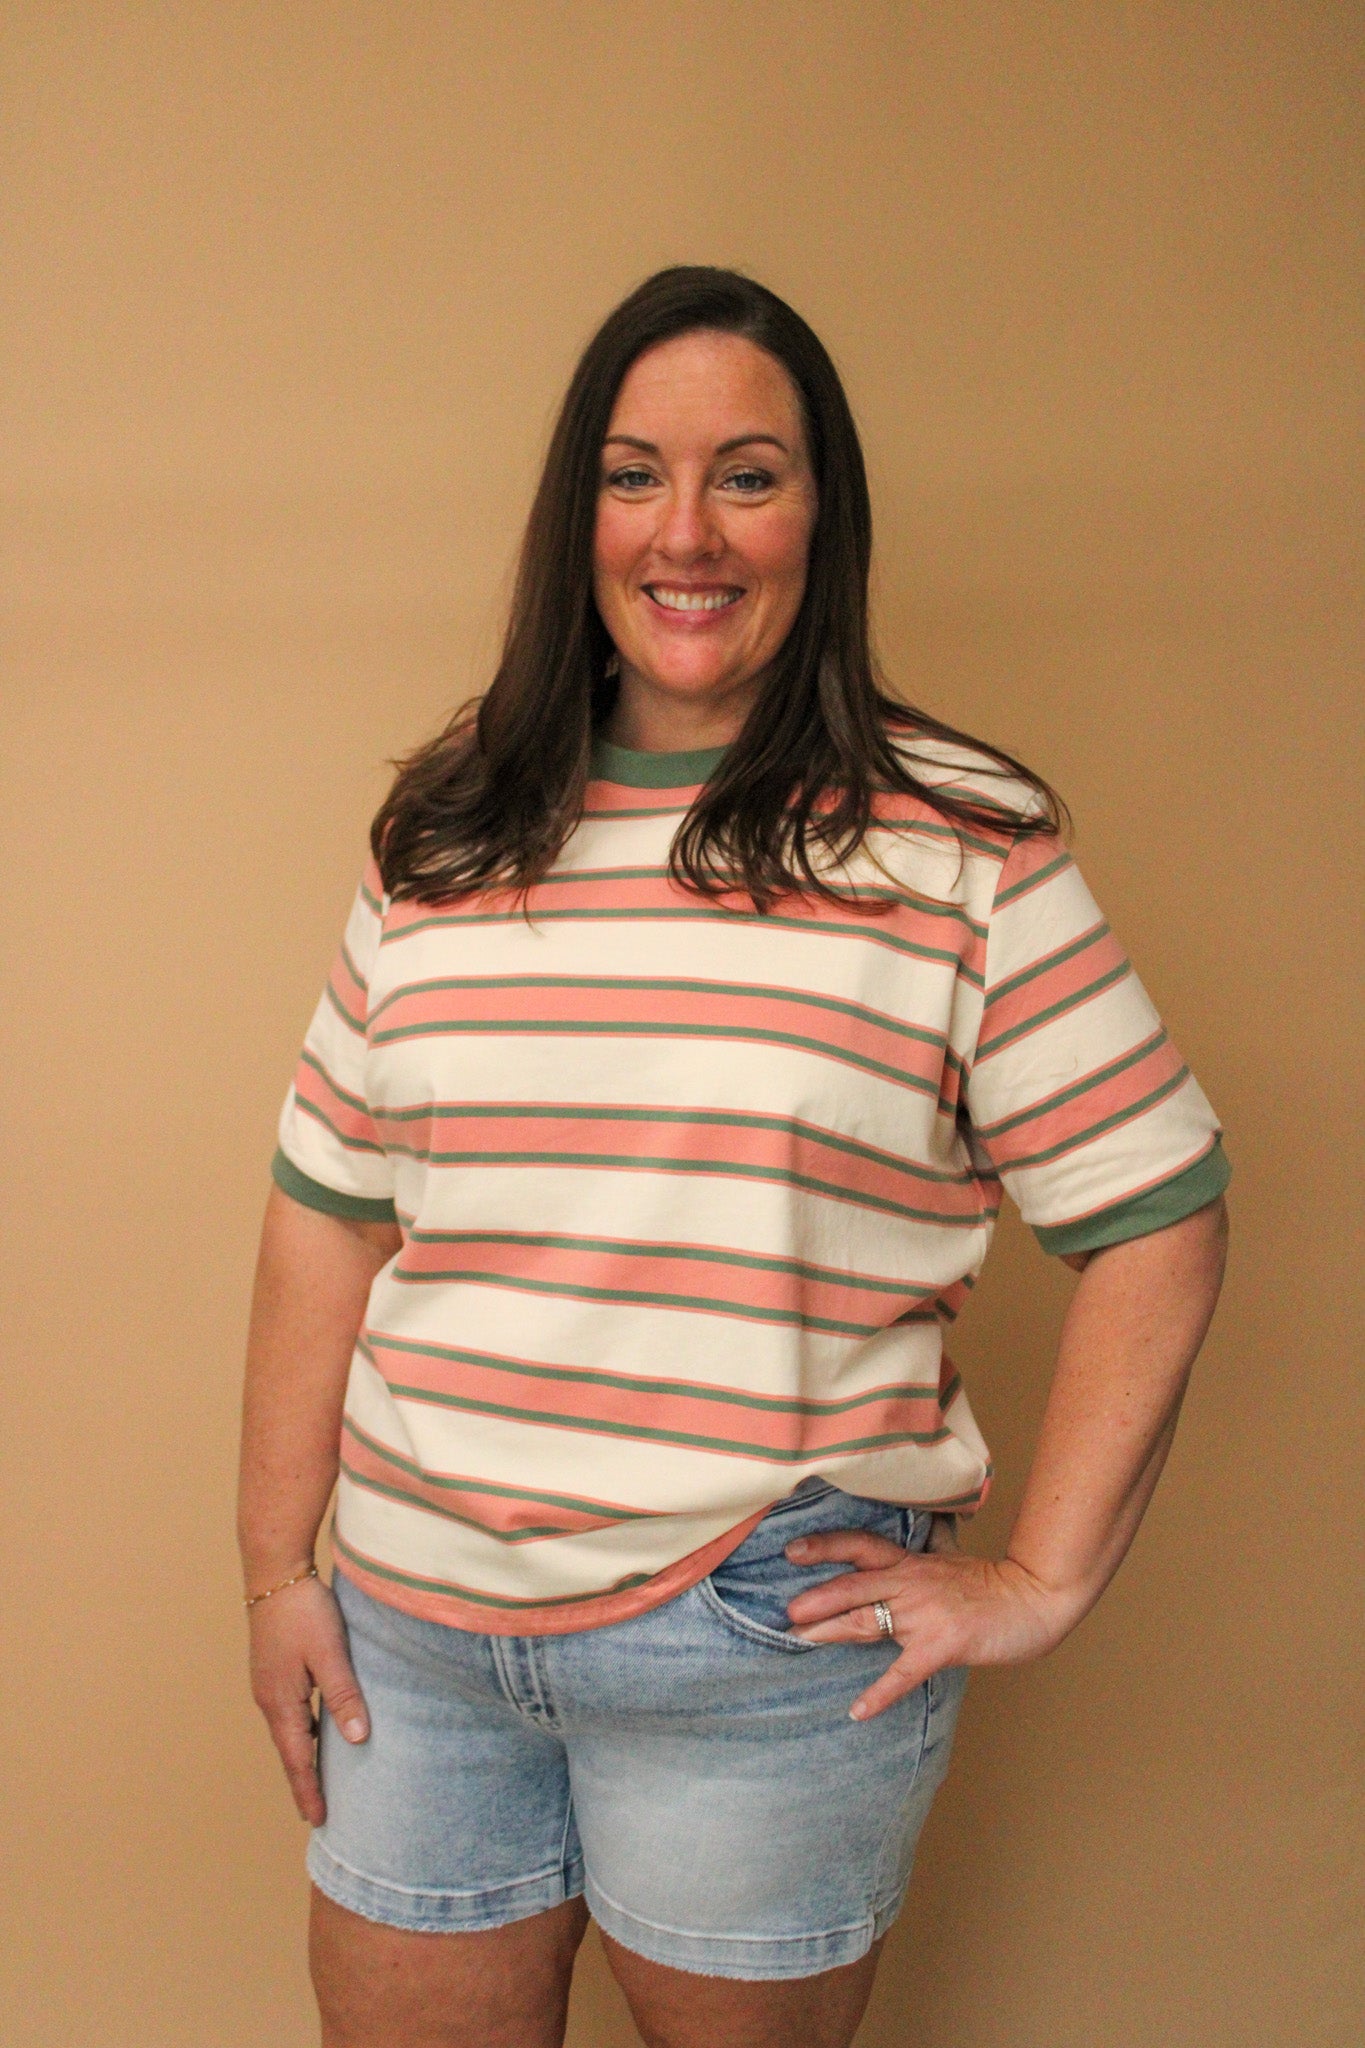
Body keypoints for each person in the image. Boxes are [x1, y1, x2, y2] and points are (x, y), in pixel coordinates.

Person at [239, 266, 1229, 2048]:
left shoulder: (956, 848)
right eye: (634, 476)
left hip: (755, 1643)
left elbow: (1157, 1212)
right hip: (409, 1646)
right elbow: (327, 1207)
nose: (684, 532)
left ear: (820, 518)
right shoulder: (447, 828)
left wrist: (1040, 1581)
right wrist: (272, 1569)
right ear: (579, 515)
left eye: (746, 476)